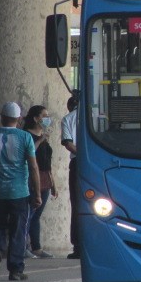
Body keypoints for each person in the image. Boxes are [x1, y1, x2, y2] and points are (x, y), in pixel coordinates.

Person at [0, 102, 41, 281]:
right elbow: (33, 166)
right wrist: (37, 193)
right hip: (19, 193)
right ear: (19, 118)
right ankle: (15, 269)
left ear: (2, 117)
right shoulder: (25, 138)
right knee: (18, 230)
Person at [23, 105, 57, 259]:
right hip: (31, 178)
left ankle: (36, 247)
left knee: (36, 216)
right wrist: (41, 139)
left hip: (44, 178)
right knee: (28, 214)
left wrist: (53, 183)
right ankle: (24, 246)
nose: (47, 118)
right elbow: (29, 154)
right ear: (36, 118)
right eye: (44, 115)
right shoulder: (26, 135)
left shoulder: (44, 135)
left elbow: (47, 162)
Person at [61, 94, 79, 259]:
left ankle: (78, 247)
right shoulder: (95, 116)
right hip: (97, 162)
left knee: (77, 204)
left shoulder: (67, 119)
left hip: (78, 164)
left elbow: (67, 143)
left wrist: (81, 154)